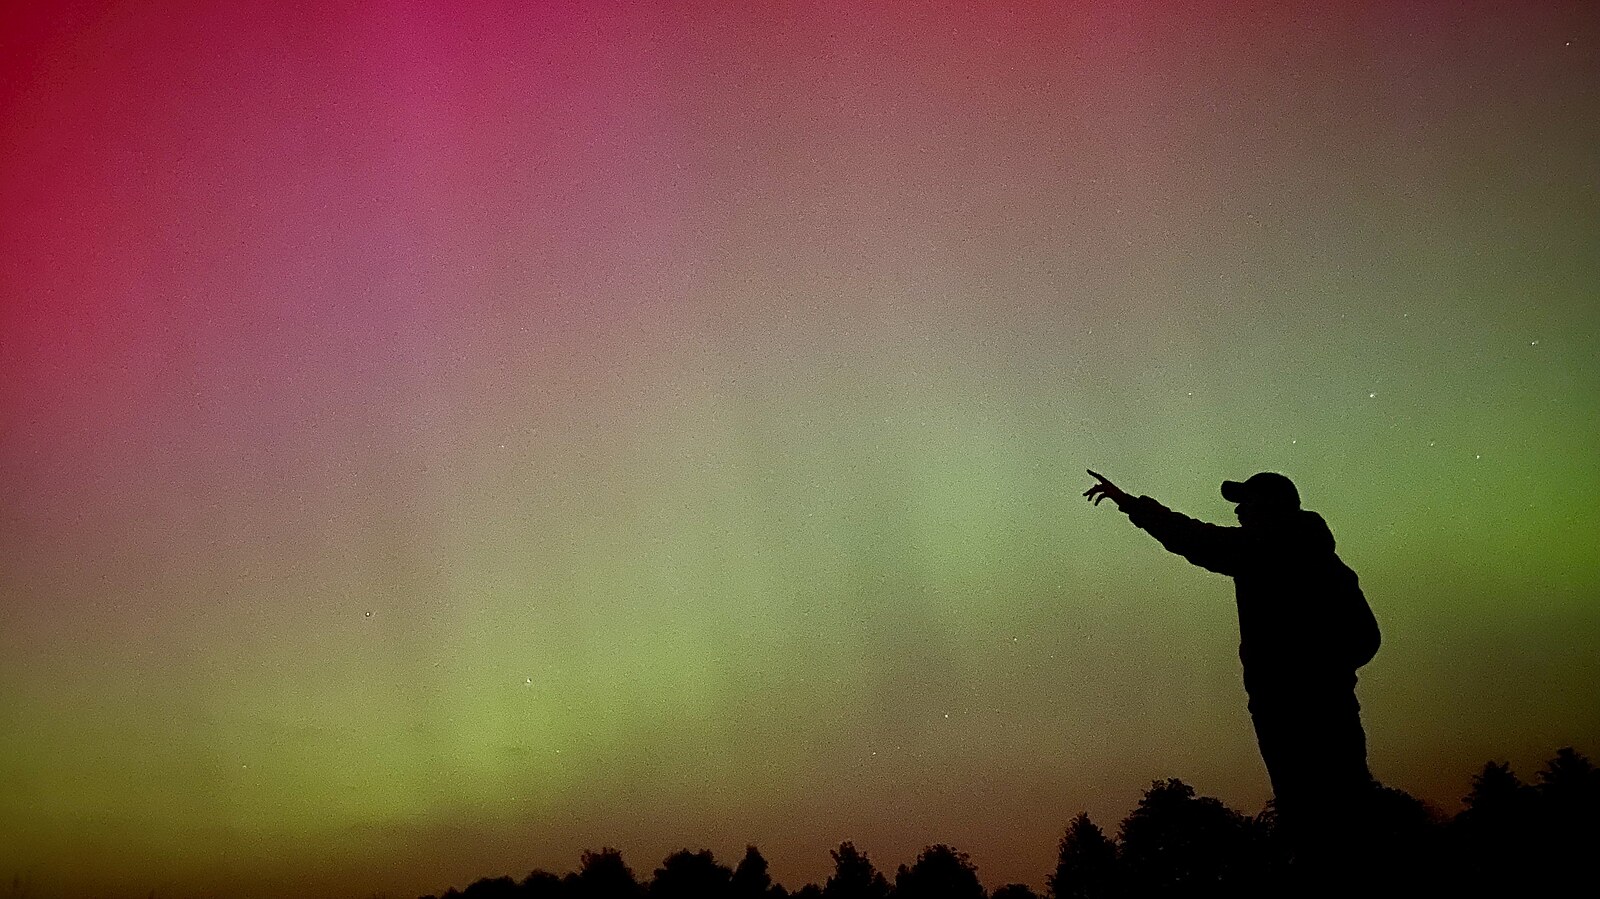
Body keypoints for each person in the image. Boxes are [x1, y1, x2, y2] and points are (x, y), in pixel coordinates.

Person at [1083, 469, 1380, 883]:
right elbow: (1367, 638)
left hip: (1295, 714)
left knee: (1324, 829)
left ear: (1273, 508)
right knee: (1339, 819)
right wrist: (1326, 674)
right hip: (1316, 711)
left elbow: (1191, 537)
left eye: (1248, 502)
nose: (1239, 511)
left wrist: (1131, 504)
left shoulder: (1262, 551)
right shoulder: (1319, 561)